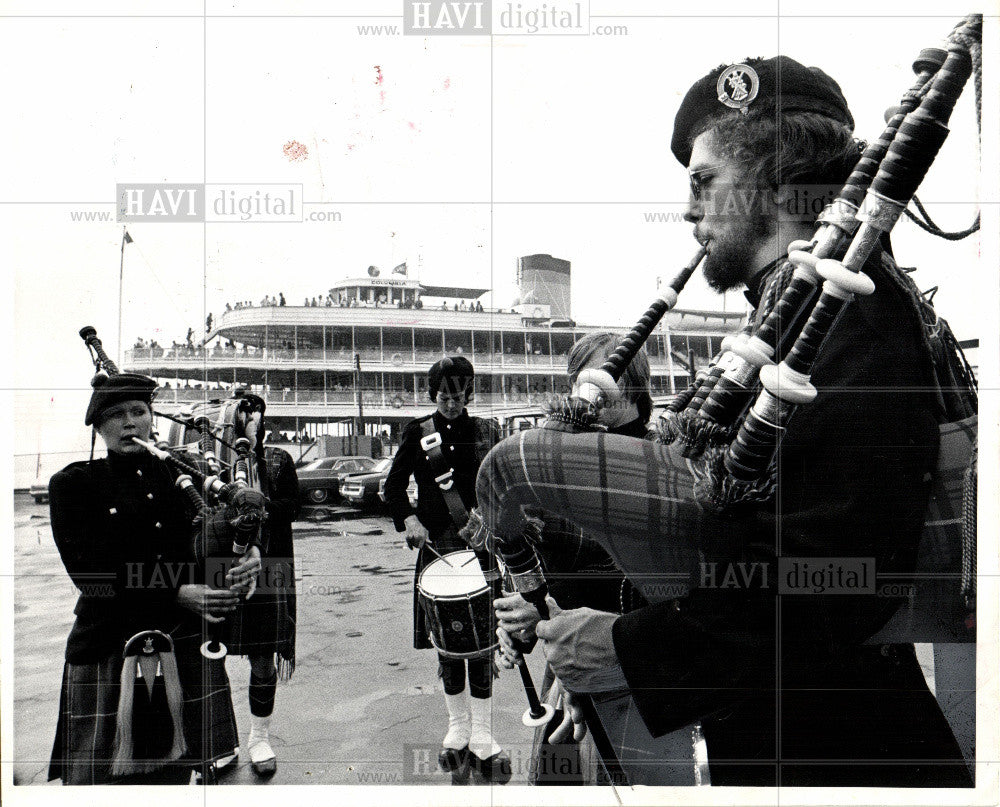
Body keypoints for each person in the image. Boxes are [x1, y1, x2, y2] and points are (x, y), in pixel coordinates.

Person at [475, 55, 974, 787]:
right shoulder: (792, 312)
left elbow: (840, 579)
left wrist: (628, 651)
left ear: (775, 179)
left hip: (843, 754)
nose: (689, 208)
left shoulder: (850, 313)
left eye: (704, 180)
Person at [47, 373, 252, 785]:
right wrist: (176, 593)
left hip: (184, 643)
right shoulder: (74, 484)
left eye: (138, 412)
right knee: (111, 784)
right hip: (110, 644)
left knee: (178, 775)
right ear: (98, 426)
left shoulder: (182, 475)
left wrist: (250, 554)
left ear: (150, 419)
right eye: (116, 415)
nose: (129, 423)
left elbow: (214, 537)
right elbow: (92, 578)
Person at [493, 333, 657, 785]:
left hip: (634, 677)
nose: (596, 394)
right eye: (584, 381)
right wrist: (526, 622)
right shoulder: (562, 465)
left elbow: (650, 584)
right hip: (565, 673)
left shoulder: (664, 462)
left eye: (612, 377)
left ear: (638, 388)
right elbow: (547, 575)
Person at [383, 356, 509, 784]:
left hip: (481, 546)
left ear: (468, 394)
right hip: (437, 546)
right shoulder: (419, 433)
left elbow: (502, 484)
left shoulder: (488, 432)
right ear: (431, 394)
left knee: (483, 643)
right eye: (443, 396)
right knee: (449, 643)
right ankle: (457, 728)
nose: (451, 404)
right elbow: (392, 487)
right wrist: (410, 520)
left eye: (458, 396)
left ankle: (484, 733)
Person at [221, 392, 299, 777]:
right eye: (243, 415)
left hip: (271, 564)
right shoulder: (215, 459)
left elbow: (294, 507)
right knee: (207, 654)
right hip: (222, 564)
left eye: (256, 415)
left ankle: (259, 737)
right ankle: (217, 738)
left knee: (263, 659)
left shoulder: (279, 458)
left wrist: (259, 505)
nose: (250, 421)